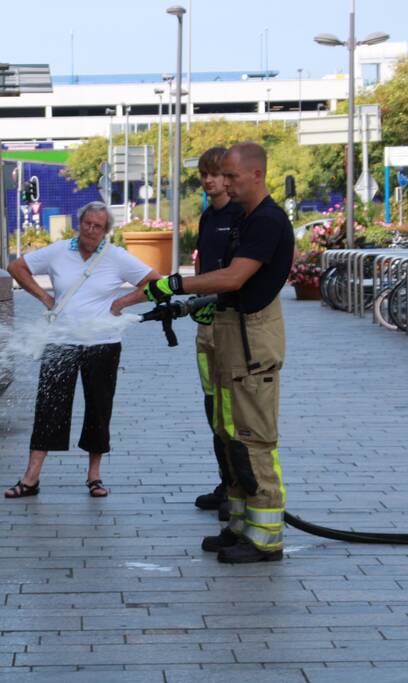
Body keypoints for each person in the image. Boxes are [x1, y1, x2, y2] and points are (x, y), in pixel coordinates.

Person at [115, 142, 293, 564]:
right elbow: (223, 284)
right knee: (229, 429)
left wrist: (174, 285)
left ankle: (265, 539)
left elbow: (233, 278)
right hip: (231, 334)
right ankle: (238, 523)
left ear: (255, 175)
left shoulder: (267, 220)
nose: (224, 184)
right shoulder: (243, 219)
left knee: (252, 437)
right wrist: (188, 303)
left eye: (231, 177)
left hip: (252, 341)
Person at [4, 201, 161, 499]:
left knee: (99, 409)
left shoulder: (116, 257)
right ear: (80, 223)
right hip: (61, 340)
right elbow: (16, 267)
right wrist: (45, 298)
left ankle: (94, 476)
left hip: (102, 344)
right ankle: (31, 477)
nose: (90, 230)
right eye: (87, 223)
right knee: (49, 407)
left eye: (97, 226)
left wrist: (122, 303)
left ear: (106, 231)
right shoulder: (59, 251)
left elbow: (155, 282)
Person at [190, 146, 244, 520]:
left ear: (230, 177)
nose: (209, 180)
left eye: (215, 174)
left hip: (229, 324)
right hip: (205, 325)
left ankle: (238, 489)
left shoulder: (241, 216)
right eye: (204, 174)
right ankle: (225, 482)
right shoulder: (208, 217)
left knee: (230, 412)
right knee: (212, 407)